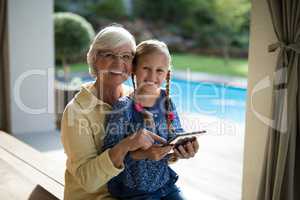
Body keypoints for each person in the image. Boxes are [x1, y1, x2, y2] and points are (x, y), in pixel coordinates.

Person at [61, 25, 199, 200]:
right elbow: (87, 181)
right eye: (109, 55)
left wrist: (178, 151)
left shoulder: (142, 97)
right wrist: (127, 145)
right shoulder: (77, 112)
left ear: (132, 65)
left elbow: (156, 157)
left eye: (126, 56)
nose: (119, 64)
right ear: (94, 59)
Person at [102, 40, 198, 200]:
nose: (152, 76)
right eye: (146, 68)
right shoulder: (123, 107)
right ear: (134, 69)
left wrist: (185, 148)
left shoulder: (167, 102)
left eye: (159, 70)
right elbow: (110, 154)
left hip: (164, 184)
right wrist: (144, 154)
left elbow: (176, 135)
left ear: (167, 74)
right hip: (133, 190)